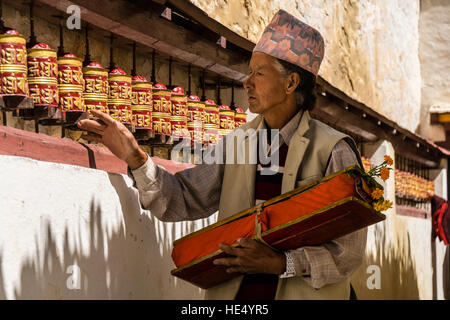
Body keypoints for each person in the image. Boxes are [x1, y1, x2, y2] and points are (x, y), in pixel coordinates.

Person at [77, 10, 366, 300]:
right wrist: (135, 156)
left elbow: (348, 252)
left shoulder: (333, 149)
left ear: (290, 83)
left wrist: (282, 263)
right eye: (250, 71)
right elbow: (183, 198)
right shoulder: (237, 144)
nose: (247, 82)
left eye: (260, 73)